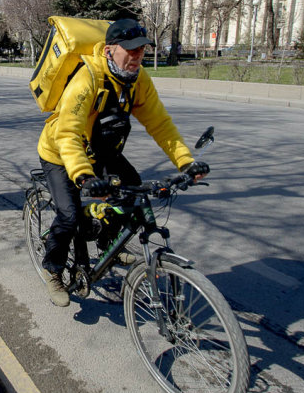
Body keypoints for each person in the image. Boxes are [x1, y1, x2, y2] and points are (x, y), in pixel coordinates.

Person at [36, 18, 206, 307]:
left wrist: (185, 162)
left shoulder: (139, 80)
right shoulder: (88, 77)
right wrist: (83, 176)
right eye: (130, 49)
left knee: (133, 189)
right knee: (70, 214)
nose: (137, 55)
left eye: (141, 48)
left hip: (100, 151)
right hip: (61, 154)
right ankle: (53, 271)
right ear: (108, 51)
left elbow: (160, 124)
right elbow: (68, 133)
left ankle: (106, 243)